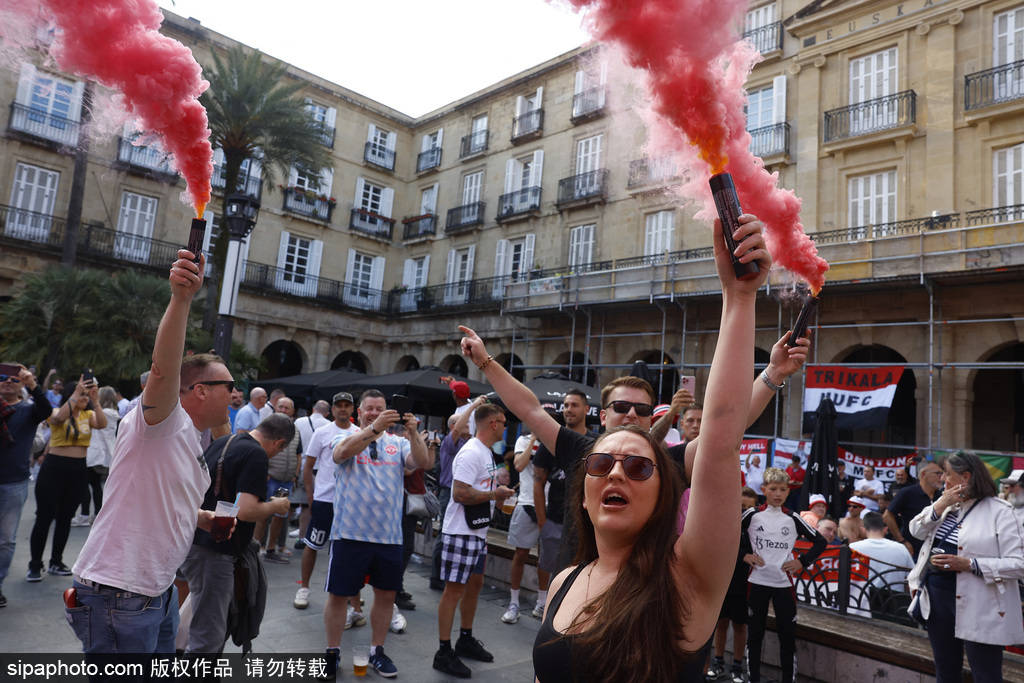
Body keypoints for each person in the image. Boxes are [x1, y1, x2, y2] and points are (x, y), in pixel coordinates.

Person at [527, 213, 772, 682]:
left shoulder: (686, 580)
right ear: (583, 496)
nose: (616, 472)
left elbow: (720, 438)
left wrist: (739, 297)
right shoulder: (563, 583)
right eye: (602, 464)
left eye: (639, 468)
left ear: (665, 495)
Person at [67, 248, 233, 655]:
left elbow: (161, 497)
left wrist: (201, 517)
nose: (235, 394)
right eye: (228, 386)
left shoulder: (191, 436)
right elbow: (163, 370)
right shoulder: (161, 423)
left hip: (158, 590)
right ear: (199, 391)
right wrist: (182, 299)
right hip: (119, 593)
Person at [324, 389, 430, 678]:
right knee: (338, 596)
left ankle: (377, 652)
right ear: (359, 412)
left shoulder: (398, 443)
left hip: (388, 536)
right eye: (369, 408)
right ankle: (332, 653)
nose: (373, 412)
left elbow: (422, 462)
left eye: (379, 408)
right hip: (349, 533)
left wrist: (413, 433)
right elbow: (341, 454)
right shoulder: (343, 436)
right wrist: (373, 429)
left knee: (385, 596)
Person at [180, 414, 294, 653]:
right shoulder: (256, 454)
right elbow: (246, 510)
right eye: (280, 450)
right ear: (279, 443)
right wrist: (276, 506)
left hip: (196, 540)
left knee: (202, 617)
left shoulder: (224, 442)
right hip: (216, 549)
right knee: (209, 633)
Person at [908, 451, 1024, 682]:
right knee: (945, 670)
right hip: (938, 600)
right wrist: (940, 505)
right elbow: (915, 530)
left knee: (985, 674)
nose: (943, 479)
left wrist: (969, 564)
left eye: (947, 474)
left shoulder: (1001, 511)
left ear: (966, 476)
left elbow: (1019, 564)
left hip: (981, 604)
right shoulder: (946, 506)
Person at [433, 403, 515, 678]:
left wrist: (496, 495)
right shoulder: (471, 452)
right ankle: (443, 651)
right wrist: (495, 495)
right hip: (460, 532)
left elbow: (478, 489)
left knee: (475, 583)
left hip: (476, 531)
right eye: (503, 422)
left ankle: (465, 638)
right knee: (453, 590)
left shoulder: (485, 452)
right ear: (493, 423)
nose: (505, 428)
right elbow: (459, 494)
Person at [741, 467, 827, 683]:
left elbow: (820, 542)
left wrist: (801, 562)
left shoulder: (793, 518)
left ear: (788, 491)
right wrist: (744, 555)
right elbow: (728, 534)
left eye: (782, 489)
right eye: (773, 489)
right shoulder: (752, 515)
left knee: (787, 638)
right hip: (756, 582)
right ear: (764, 489)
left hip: (783, 585)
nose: (778, 494)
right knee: (755, 636)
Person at [27, 376, 108, 580]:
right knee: (44, 517)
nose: (84, 398)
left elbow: (102, 423)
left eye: (86, 395)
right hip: (54, 467)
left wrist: (96, 400)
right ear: (71, 394)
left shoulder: (89, 414)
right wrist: (76, 393)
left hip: (78, 469)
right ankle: (35, 564)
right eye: (81, 394)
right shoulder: (56, 411)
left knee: (65, 518)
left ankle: (56, 561)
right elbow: (58, 419)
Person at [293, 392, 358, 611]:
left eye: (347, 405)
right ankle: (304, 587)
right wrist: (311, 495)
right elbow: (308, 466)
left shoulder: (359, 433)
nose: (343, 409)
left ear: (352, 409)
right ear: (332, 409)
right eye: (339, 405)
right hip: (325, 499)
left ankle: (347, 592)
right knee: (312, 544)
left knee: (346, 549)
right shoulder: (322, 433)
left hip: (350, 501)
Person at [0, 363, 51, 607]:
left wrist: (32, 384)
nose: (8, 382)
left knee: (6, 540)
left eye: (14, 379)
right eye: (3, 377)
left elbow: (46, 409)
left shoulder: (29, 410)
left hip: (14, 482)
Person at [533, 388, 592, 579]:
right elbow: (538, 483)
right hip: (555, 522)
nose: (568, 409)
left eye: (574, 405)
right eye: (566, 405)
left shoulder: (595, 442)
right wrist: (542, 522)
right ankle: (542, 598)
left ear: (586, 409)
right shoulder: (550, 442)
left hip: (584, 526)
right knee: (550, 572)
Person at [706, 486, 760, 683]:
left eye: (747, 507)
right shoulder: (724, 523)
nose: (742, 510)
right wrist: (742, 555)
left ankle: (737, 666)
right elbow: (718, 547)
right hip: (723, 581)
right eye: (740, 506)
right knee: (721, 623)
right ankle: (718, 662)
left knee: (740, 625)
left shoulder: (755, 529)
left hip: (744, 584)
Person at [501, 428, 549, 624]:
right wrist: (533, 440)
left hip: (550, 506)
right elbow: (519, 465)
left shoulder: (553, 439)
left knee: (545, 558)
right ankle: (514, 603)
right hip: (526, 503)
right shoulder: (523, 440)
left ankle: (542, 603)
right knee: (520, 554)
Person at [430, 412, 472, 590]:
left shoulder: (467, 443)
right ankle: (436, 577)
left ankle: (448, 574)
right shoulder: (450, 441)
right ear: (454, 426)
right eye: (465, 424)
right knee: (444, 533)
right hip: (449, 492)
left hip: (460, 491)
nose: (469, 426)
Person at [257, 396, 300, 563]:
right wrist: (264, 472)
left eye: (286, 408)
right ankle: (257, 547)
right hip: (271, 478)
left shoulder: (296, 431)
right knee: (262, 514)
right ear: (275, 408)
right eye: (280, 407)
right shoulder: (268, 429)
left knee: (280, 516)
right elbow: (260, 450)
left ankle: (271, 548)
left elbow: (298, 454)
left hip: (286, 480)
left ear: (292, 411)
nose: (283, 410)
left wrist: (295, 474)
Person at [850, 512, 914, 616]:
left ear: (863, 529)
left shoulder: (853, 548)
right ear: (885, 529)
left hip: (861, 603)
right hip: (894, 605)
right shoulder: (901, 548)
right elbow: (912, 578)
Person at [72, 386, 119, 527]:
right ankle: (97, 513)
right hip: (105, 453)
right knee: (96, 485)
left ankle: (84, 514)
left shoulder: (102, 413)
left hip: (94, 452)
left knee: (85, 484)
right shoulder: (115, 413)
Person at [884, 460, 942, 559]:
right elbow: (887, 516)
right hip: (912, 551)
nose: (942, 477)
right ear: (923, 474)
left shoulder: (941, 496)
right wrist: (902, 541)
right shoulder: (907, 493)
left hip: (934, 551)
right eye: (938, 473)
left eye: (942, 473)